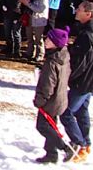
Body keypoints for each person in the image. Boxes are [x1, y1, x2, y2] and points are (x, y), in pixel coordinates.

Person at [59, 0, 93, 163]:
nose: (76, 11)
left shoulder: (87, 34)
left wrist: (67, 78)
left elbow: (81, 62)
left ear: (88, 14)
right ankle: (86, 144)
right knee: (82, 112)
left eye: (79, 9)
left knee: (66, 113)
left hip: (83, 81)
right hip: (91, 79)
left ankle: (78, 144)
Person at [32, 27, 75, 164]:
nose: (45, 40)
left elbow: (47, 85)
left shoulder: (52, 62)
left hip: (50, 101)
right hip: (60, 98)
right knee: (51, 125)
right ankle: (51, 154)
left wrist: (40, 100)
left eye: (49, 39)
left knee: (42, 126)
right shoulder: (64, 56)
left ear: (55, 43)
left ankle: (65, 147)